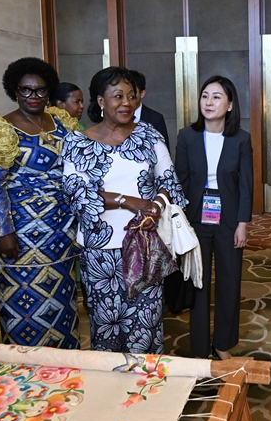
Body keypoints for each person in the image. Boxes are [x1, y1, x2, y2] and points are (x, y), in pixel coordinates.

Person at [61, 66, 185, 353]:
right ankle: (111, 380)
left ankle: (147, 380)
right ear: (101, 101)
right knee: (107, 326)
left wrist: (156, 206)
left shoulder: (149, 136)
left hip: (144, 245)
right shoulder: (77, 142)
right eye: (118, 96)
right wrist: (126, 201)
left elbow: (169, 181)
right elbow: (76, 193)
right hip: (100, 252)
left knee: (147, 324)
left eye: (131, 96)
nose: (127, 102)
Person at [0, 57, 81, 348]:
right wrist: (2, 232)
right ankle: (25, 364)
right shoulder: (1, 129)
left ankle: (65, 363)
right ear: (14, 90)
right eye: (26, 90)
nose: (33, 96)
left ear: (49, 91)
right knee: (24, 302)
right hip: (20, 234)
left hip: (61, 229)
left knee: (63, 298)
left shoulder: (62, 123)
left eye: (41, 90)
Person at [176, 75, 253, 360]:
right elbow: (180, 181)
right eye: (205, 96)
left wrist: (242, 223)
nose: (209, 102)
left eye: (217, 97)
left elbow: (245, 185)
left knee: (229, 281)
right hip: (195, 216)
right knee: (198, 281)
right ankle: (199, 347)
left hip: (229, 218)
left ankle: (223, 343)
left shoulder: (241, 139)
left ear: (230, 105)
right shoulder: (187, 136)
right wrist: (181, 222)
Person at [130, 69, 170, 149]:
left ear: (142, 93)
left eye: (131, 92)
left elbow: (164, 150)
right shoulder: (115, 117)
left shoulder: (156, 118)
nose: (127, 97)